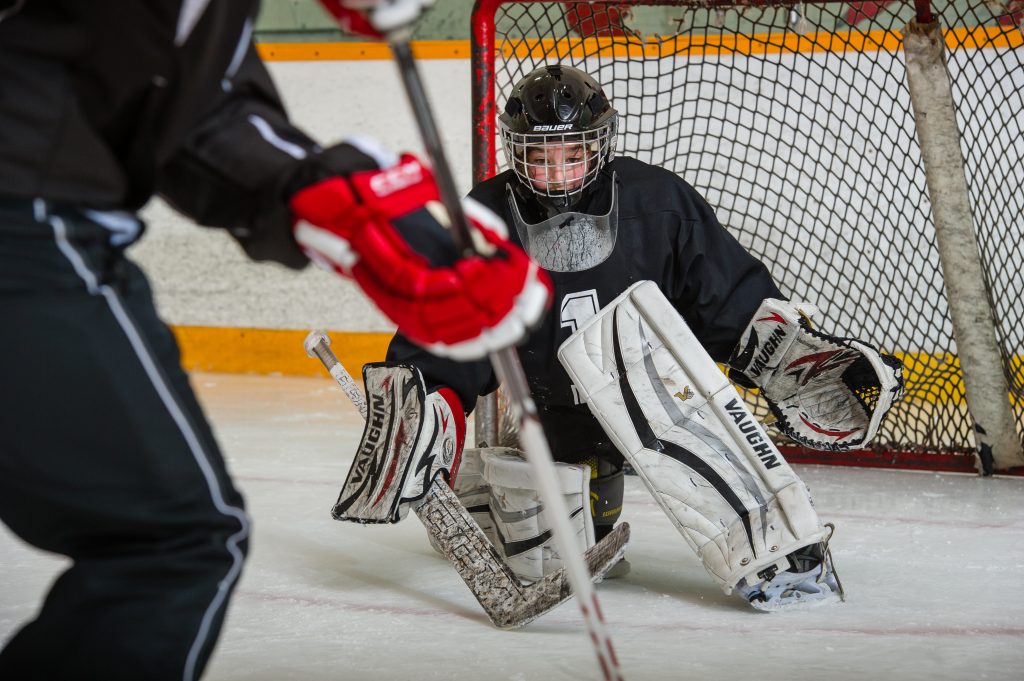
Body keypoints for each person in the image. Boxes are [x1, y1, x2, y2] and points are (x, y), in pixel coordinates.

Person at [0, 2, 549, 679]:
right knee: (164, 542)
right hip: (27, 210)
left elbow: (195, 110)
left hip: (45, 205)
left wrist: (329, 197)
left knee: (169, 539)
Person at [370, 64, 903, 609]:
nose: (557, 171)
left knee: (743, 506)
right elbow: (447, 326)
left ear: (600, 145)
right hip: (553, 406)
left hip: (661, 393)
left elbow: (721, 292)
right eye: (539, 155)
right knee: (551, 557)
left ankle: (780, 551)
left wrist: (783, 355)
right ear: (516, 150)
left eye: (574, 153)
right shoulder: (482, 217)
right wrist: (424, 403)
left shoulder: (657, 200)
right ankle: (487, 494)